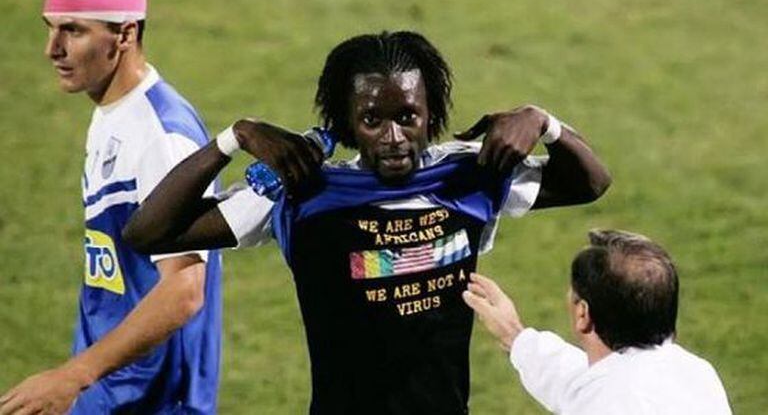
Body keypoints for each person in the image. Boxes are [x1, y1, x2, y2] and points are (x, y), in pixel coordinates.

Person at [123, 31, 611, 414]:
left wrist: (543, 122)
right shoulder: (304, 193)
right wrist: (235, 137)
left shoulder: (466, 179)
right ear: (347, 123)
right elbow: (148, 233)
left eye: (408, 116)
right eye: (373, 120)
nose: (394, 136)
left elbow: (590, 183)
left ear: (431, 115)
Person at [0, 0, 222, 414]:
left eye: (73, 31)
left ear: (125, 34)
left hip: (151, 398)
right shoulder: (113, 111)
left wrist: (73, 375)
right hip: (109, 386)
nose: (52, 49)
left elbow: (184, 289)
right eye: (50, 29)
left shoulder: (161, 136)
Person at [463, 229, 732, 414]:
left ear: (583, 314)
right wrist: (515, 335)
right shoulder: (696, 374)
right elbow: (578, 380)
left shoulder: (605, 402)